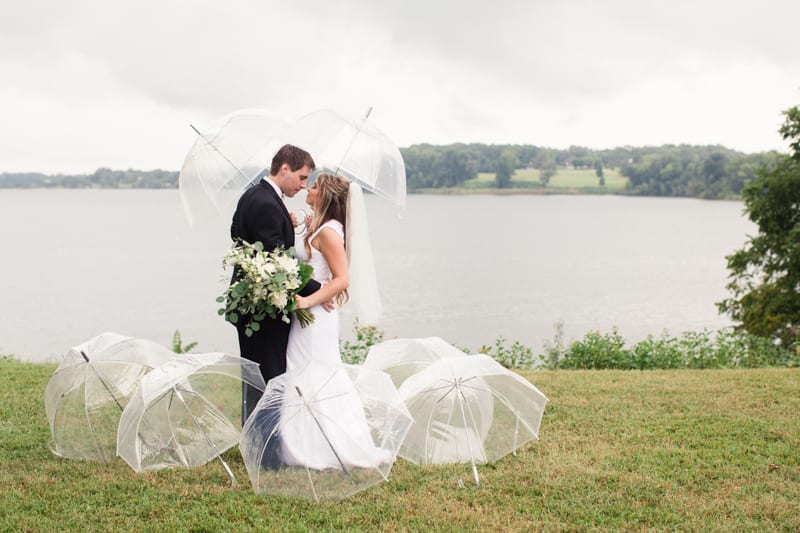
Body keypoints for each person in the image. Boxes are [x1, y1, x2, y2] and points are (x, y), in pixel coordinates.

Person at [276, 173, 392, 469]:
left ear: (325, 195)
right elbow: (309, 265)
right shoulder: (321, 226)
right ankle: (301, 441)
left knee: (317, 373)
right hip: (309, 315)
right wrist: (294, 228)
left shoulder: (329, 232)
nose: (308, 188)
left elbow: (342, 279)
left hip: (316, 315)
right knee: (302, 369)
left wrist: (308, 300)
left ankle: (324, 445)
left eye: (313, 186)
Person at [229, 144, 324, 422]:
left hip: (254, 304)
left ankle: (257, 440)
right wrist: (319, 291)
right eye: (302, 177)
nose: (304, 185)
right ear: (285, 168)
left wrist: (285, 222)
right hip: (262, 307)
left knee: (257, 377)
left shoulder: (257, 197)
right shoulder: (266, 202)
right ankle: (267, 447)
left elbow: (238, 233)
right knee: (269, 377)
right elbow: (276, 260)